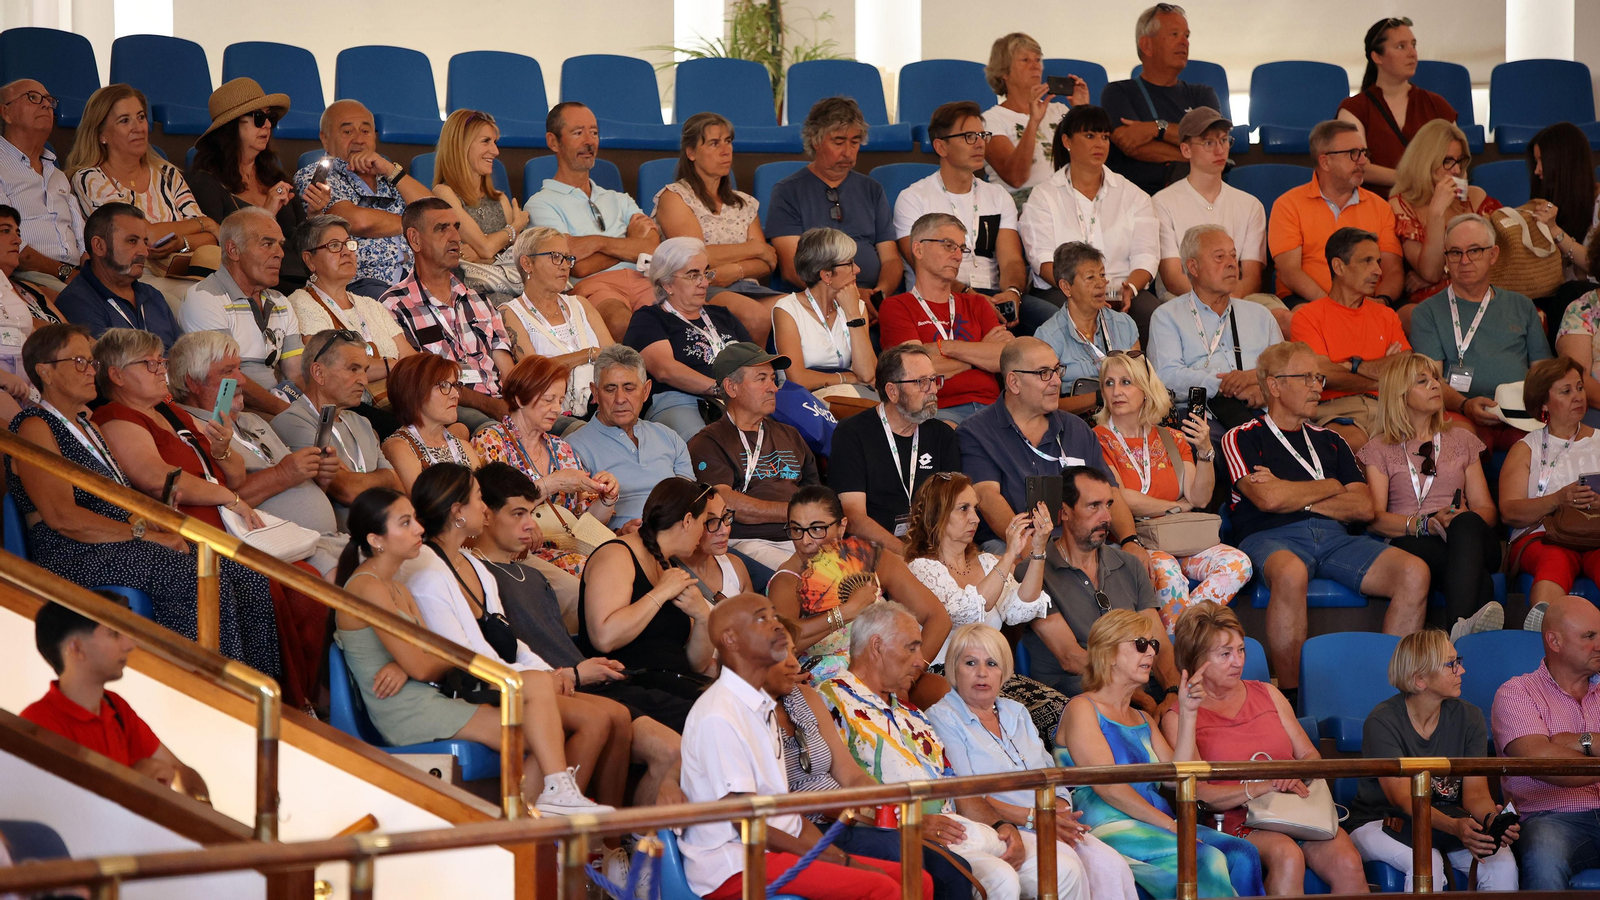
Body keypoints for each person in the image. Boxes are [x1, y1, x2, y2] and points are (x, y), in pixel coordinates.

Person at [7, 325, 273, 676]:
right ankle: (200, 684)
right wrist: (145, 534)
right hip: (71, 549)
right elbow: (62, 517)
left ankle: (257, 686)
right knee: (187, 572)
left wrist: (159, 524)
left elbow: (121, 497)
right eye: (79, 362)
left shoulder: (88, 426)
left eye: (91, 362)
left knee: (243, 572)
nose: (91, 371)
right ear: (45, 371)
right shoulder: (34, 425)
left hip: (118, 538)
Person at [339, 479, 611, 816]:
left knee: (541, 719)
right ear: (376, 540)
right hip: (406, 709)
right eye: (405, 523)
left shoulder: (395, 587)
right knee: (541, 722)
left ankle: (540, 812)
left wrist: (407, 662)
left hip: (427, 694)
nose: (419, 529)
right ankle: (536, 814)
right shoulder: (368, 587)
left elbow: (426, 653)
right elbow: (423, 664)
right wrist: (414, 662)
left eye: (415, 519)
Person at [405, 462, 634, 811]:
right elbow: (466, 651)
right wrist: (540, 679)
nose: (484, 508)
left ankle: (579, 822)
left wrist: (547, 672)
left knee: (612, 714)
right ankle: (545, 816)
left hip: (499, 678)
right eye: (478, 499)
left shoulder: (474, 566)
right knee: (595, 718)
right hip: (468, 685)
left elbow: (509, 638)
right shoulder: (427, 570)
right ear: (457, 512)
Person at [678, 593, 928, 900]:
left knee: (917, 880)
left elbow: (789, 817)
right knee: (882, 888)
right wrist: (838, 861)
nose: (776, 626)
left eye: (774, 615)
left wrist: (837, 856)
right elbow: (747, 825)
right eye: (762, 619)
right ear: (731, 640)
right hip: (735, 865)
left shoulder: (762, 706)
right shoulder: (719, 714)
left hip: (777, 849)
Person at [1222, 340, 1429, 699]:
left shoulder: (1331, 439)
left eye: (1318, 378)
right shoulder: (1241, 437)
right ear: (1274, 385)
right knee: (1290, 573)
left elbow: (1363, 508)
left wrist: (1294, 496)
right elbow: (1267, 500)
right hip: (1270, 537)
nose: (1318, 386)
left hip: (1336, 539)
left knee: (1415, 572)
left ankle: (1391, 693)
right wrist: (1331, 488)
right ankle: (1293, 697)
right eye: (1306, 378)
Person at [88, 327, 283, 677]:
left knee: (283, 577)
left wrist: (222, 449)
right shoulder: (116, 416)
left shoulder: (170, 409)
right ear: (116, 375)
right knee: (262, 580)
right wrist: (229, 497)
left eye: (161, 361)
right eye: (149, 363)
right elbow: (155, 477)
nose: (161, 369)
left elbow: (235, 475)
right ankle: (237, 688)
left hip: (225, 523)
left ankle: (276, 691)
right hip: (187, 526)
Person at [818, 601, 1045, 900]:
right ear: (877, 646)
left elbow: (954, 786)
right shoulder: (831, 701)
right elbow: (829, 795)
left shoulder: (912, 714)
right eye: (911, 648)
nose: (920, 660)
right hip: (892, 837)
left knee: (1053, 867)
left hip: (956, 832)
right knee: (1001, 878)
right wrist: (908, 823)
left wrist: (1001, 824)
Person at [470, 463, 693, 767]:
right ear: (486, 515)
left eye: (530, 514)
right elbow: (505, 654)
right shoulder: (476, 576)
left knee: (707, 718)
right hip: (557, 688)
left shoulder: (534, 577)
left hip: (592, 680)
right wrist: (573, 673)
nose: (530, 525)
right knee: (674, 744)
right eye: (518, 514)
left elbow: (557, 644)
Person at [1162, 604, 1368, 895]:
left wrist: (1291, 774)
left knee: (1348, 862)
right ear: (1197, 660)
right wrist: (1262, 786)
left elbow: (1310, 756)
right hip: (1235, 820)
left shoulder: (1268, 693)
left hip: (1296, 810)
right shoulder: (1179, 717)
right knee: (1288, 856)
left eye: (1241, 650)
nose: (1238, 662)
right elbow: (1199, 792)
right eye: (1225, 654)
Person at [763, 621, 977, 900]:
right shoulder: (749, 713)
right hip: (810, 825)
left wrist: (891, 812)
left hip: (849, 819)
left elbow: (851, 775)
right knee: (899, 851)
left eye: (794, 653)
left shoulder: (805, 697)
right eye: (784, 655)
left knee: (954, 870)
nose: (795, 664)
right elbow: (772, 805)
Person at [1058, 609, 1264, 898]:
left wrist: (1188, 712)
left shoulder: (1143, 718)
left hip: (1155, 822)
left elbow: (1178, 777)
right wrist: (1170, 825)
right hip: (1109, 825)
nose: (1151, 652)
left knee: (1243, 853)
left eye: (1153, 644)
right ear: (1109, 653)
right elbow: (1109, 788)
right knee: (1206, 859)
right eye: (1140, 644)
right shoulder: (1082, 708)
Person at [926, 624, 1140, 900]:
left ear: (1003, 671)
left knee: (1113, 867)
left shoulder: (1015, 711)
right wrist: (1034, 817)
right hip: (1002, 826)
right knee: (1066, 869)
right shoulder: (942, 716)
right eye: (970, 663)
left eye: (991, 663)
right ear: (954, 669)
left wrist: (1058, 810)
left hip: (1046, 818)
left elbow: (1050, 773)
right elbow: (967, 795)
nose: (981, 673)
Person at [901, 473, 1068, 744]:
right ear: (936, 514)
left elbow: (1021, 608)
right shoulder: (921, 568)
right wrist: (1010, 555)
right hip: (945, 677)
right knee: (1017, 725)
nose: (975, 519)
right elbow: (965, 613)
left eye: (975, 508)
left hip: (992, 674)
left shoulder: (989, 563)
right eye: (963, 509)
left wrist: (1038, 550)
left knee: (1063, 713)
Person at [1348, 629, 1518, 891]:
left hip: (1447, 822)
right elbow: (1403, 799)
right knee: (1427, 863)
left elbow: (1475, 793)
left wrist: (1490, 821)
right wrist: (1454, 827)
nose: (1461, 671)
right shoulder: (1382, 721)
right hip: (1382, 822)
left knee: (1502, 863)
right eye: (1451, 664)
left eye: (1458, 661)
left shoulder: (1470, 717)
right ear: (1420, 680)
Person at [1093, 352, 1252, 627]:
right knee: (1167, 571)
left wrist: (1204, 451)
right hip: (1133, 540)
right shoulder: (1097, 438)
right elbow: (1120, 498)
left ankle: (1184, 634)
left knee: (1239, 563)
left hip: (1178, 538)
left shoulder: (1173, 438)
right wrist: (1176, 506)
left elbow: (1199, 497)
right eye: (1109, 383)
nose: (1116, 391)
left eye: (1126, 382)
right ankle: (1182, 646)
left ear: (1146, 390)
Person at [168, 330, 344, 576]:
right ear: (192, 382)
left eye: (239, 368)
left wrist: (320, 478)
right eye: (228, 372)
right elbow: (217, 507)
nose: (241, 380)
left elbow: (294, 490)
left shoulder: (252, 420)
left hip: (327, 540)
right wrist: (283, 474)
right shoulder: (190, 430)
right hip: (287, 552)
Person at [1359, 352, 1503, 637]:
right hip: (1413, 538)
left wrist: (1460, 518)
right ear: (1399, 394)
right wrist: (1427, 524)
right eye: (1422, 381)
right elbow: (1374, 520)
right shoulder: (1379, 448)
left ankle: (1455, 631)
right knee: (1481, 580)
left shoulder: (1462, 439)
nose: (1436, 385)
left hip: (1467, 534)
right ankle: (1463, 637)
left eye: (1435, 379)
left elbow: (1487, 511)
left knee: (1465, 525)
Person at [957, 338, 1145, 556]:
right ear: (1014, 382)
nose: (1056, 381)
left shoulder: (1077, 428)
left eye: (1057, 370)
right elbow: (987, 497)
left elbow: (1110, 490)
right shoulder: (976, 432)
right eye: (1044, 373)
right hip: (1012, 547)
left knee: (1137, 568)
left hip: (1080, 544)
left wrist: (1130, 540)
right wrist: (1036, 556)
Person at [767, 485, 952, 693]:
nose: (805, 541)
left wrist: (912, 673)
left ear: (841, 526)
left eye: (817, 529)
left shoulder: (872, 559)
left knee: (938, 688)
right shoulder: (788, 580)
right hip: (827, 687)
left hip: (885, 676)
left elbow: (938, 617)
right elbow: (780, 642)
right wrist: (845, 612)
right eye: (796, 530)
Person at [23, 598, 209, 803]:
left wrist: (200, 802)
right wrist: (134, 779)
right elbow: (67, 809)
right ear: (76, 648)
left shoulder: (115, 706)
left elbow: (179, 769)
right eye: (114, 633)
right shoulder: (39, 723)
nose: (130, 645)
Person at [1017, 466, 1178, 701]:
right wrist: (1140, 699)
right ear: (1064, 512)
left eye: (1108, 505)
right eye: (1094, 506)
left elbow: (1159, 643)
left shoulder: (1130, 565)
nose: (1107, 518)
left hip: (1136, 685)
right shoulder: (1034, 573)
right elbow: (1071, 658)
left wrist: (1173, 694)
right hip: (1080, 692)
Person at [896, 101, 1041, 333]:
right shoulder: (913, 198)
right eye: (969, 137)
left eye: (982, 135)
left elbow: (1011, 260)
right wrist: (970, 295)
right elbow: (923, 266)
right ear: (941, 146)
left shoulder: (998, 196)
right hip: (940, 298)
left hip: (993, 295)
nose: (980, 143)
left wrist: (1012, 292)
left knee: (1052, 322)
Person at [1019, 105, 1160, 342]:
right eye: (1090, 136)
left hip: (1119, 289)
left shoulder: (1133, 195)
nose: (1100, 144)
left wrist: (1131, 288)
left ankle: (1142, 369)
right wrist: (1079, 290)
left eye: (1104, 137)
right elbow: (1041, 259)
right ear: (1067, 141)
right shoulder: (1044, 195)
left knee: (1152, 313)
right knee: (1061, 314)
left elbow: (1147, 256)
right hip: (1064, 290)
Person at [1409, 213, 1549, 450]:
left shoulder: (1522, 305)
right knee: (1464, 441)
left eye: (1474, 251)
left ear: (1493, 255)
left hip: (1520, 412)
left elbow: (1542, 371)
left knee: (1537, 445)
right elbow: (1430, 380)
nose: (1464, 261)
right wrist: (1465, 405)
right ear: (1446, 258)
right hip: (1460, 412)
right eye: (1455, 252)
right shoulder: (1427, 312)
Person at [472, 354, 618, 579]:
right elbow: (492, 509)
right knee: (599, 572)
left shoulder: (561, 448)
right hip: (519, 554)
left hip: (568, 548)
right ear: (520, 399)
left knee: (622, 562)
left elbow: (584, 523)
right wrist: (553, 483)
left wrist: (607, 498)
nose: (557, 409)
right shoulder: (491, 441)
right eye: (549, 400)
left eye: (560, 400)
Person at [577, 478, 717, 708]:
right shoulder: (616, 555)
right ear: (687, 521)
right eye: (704, 523)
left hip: (672, 684)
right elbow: (604, 638)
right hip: (628, 688)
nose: (704, 533)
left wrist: (703, 617)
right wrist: (660, 593)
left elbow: (695, 665)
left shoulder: (669, 567)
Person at [1493, 594, 1600, 890]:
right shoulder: (1517, 693)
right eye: (1589, 636)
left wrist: (1583, 742)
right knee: (1544, 854)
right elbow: (1541, 761)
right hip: (1551, 818)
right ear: (1554, 641)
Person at [528, 102, 660, 342]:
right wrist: (630, 242)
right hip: (595, 287)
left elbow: (652, 248)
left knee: (676, 324)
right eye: (578, 133)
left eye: (594, 132)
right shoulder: (540, 203)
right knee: (623, 324)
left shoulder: (620, 199)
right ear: (553, 142)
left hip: (644, 280)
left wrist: (597, 244)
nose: (589, 142)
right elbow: (575, 266)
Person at [381, 197, 515, 433]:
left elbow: (508, 371)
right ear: (415, 239)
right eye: (442, 229)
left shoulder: (478, 299)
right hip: (447, 410)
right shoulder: (394, 306)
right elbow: (421, 382)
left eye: (456, 227)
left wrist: (521, 405)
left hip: (499, 404)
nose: (456, 237)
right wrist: (491, 406)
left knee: (571, 428)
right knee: (492, 432)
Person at [1152, 108, 1287, 334]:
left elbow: (1252, 277)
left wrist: (1227, 302)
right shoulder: (1163, 202)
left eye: (1224, 140)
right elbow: (1173, 277)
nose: (1219, 149)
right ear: (1186, 150)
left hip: (1239, 297)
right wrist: (1212, 303)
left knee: (1285, 319)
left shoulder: (1250, 204)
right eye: (1208, 143)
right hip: (1184, 298)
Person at [687, 342, 820, 569]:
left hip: (805, 538)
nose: (773, 388)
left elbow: (815, 496)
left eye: (773, 379)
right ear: (731, 388)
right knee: (810, 577)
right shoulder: (709, 442)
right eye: (761, 379)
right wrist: (795, 512)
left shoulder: (790, 434)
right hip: (750, 542)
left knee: (859, 574)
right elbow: (724, 502)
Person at [654, 111, 780, 343]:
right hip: (699, 288)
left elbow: (767, 263)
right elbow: (695, 257)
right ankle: (754, 368)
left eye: (728, 141)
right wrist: (755, 248)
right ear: (691, 153)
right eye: (714, 143)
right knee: (756, 317)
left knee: (801, 311)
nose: (725, 150)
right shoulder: (675, 197)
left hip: (745, 286)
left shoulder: (744, 203)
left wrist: (733, 271)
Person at [827, 344, 962, 554]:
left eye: (934, 379)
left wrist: (937, 556)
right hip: (874, 551)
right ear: (892, 391)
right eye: (922, 382)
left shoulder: (942, 435)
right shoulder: (852, 433)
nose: (933, 390)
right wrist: (908, 556)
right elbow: (853, 517)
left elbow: (955, 507)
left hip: (933, 550)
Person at [1288, 226, 1413, 452]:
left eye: (1378, 262)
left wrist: (1352, 366)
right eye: (1367, 261)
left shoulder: (1386, 315)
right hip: (1337, 410)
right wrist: (1383, 378)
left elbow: (1405, 367)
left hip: (1390, 409)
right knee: (1355, 445)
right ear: (1339, 267)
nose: (1378, 271)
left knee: (1431, 443)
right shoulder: (1307, 317)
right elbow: (1324, 375)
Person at [187, 78, 318, 292]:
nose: (267, 125)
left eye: (270, 118)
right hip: (253, 286)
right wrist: (267, 213)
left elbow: (303, 244)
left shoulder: (276, 178)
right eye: (258, 117)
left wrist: (314, 214)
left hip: (299, 280)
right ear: (231, 126)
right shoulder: (205, 182)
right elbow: (221, 250)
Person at [1148, 224, 1284, 429]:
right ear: (1193, 267)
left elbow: (1285, 369)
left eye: (1233, 256)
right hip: (1204, 416)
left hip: (1265, 412)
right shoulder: (1167, 316)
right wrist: (1224, 385)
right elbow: (1166, 377)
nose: (1231, 264)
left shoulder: (1261, 315)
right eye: (1220, 257)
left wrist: (1259, 383)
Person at [878, 212, 1009, 425]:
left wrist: (944, 347)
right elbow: (915, 372)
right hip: (939, 411)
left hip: (993, 408)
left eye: (961, 248)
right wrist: (979, 355)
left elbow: (1003, 358)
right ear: (918, 249)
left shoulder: (977, 303)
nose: (958, 256)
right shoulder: (896, 306)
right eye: (948, 246)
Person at [285, 214, 412, 430]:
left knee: (455, 424)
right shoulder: (302, 302)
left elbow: (410, 357)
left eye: (348, 244)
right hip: (352, 410)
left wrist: (390, 367)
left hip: (401, 400)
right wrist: (392, 365)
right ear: (309, 260)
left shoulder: (370, 304)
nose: (346, 252)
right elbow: (332, 369)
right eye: (334, 245)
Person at [1497, 357, 1600, 622]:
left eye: (1579, 388)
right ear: (1543, 403)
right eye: (1566, 391)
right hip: (1543, 536)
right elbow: (1509, 512)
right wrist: (1558, 499)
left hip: (1595, 534)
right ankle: (1545, 627)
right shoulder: (1525, 448)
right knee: (1555, 556)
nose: (1578, 396)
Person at [767, 97, 901, 300]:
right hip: (815, 300)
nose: (848, 152)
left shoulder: (872, 189)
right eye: (838, 142)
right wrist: (847, 296)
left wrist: (879, 295)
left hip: (872, 298)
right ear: (815, 140)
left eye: (854, 142)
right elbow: (792, 268)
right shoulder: (787, 191)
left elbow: (891, 259)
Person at [271, 329, 404, 530]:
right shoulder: (293, 422)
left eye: (364, 370)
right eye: (353, 369)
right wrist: (383, 477)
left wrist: (378, 478)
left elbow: (398, 486)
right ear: (319, 373)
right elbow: (348, 490)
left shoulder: (361, 422)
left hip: (387, 533)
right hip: (343, 540)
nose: (364, 380)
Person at [292, 101, 430, 296]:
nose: (359, 139)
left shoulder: (389, 175)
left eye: (365, 131)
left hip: (417, 277)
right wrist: (420, 225)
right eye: (347, 132)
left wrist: (390, 169)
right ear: (325, 139)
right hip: (362, 283)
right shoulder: (315, 175)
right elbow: (356, 221)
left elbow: (435, 210)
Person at [64, 84, 217, 256]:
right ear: (102, 135)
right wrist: (206, 223)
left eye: (141, 117)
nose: (139, 128)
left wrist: (181, 242)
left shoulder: (166, 173)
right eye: (124, 120)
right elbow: (145, 235)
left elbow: (210, 238)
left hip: (184, 265)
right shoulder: (90, 178)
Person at [623, 235, 750, 441]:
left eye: (706, 273)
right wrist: (721, 389)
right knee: (705, 444)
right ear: (667, 283)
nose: (704, 283)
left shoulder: (722, 315)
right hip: (680, 400)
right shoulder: (649, 318)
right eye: (693, 275)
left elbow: (754, 359)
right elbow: (666, 370)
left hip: (738, 398)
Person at [179, 207, 302, 416]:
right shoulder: (205, 298)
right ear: (233, 250)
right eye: (267, 244)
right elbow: (227, 378)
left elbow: (297, 373)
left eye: (280, 245)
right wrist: (288, 414)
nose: (280, 254)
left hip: (278, 407)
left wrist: (313, 410)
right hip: (234, 411)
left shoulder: (280, 301)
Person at [1271, 120, 1404, 308]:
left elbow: (1393, 270)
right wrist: (1336, 307)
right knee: (1299, 316)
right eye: (1353, 154)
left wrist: (1381, 301)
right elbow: (1290, 272)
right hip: (1308, 302)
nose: (1363, 161)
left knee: (1410, 315)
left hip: (1369, 304)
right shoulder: (1288, 205)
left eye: (1363, 152)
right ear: (1325, 162)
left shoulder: (1380, 207)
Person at [1099, 5, 1227, 198]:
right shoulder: (1118, 92)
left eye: (1187, 35)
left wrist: (1157, 129)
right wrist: (1196, 156)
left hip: (1197, 199)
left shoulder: (1202, 94)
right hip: (1136, 201)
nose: (1184, 42)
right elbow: (1130, 144)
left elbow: (1213, 142)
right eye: (1174, 34)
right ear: (1147, 45)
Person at [565, 344, 694, 527]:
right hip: (619, 540)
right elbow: (577, 525)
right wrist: (619, 535)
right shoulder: (572, 448)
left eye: (629, 388)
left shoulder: (669, 437)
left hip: (678, 534)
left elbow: (689, 501)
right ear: (595, 393)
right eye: (610, 389)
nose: (620, 399)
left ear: (646, 391)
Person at [1337, 18, 1464, 190]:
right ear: (1377, 57)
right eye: (1401, 46)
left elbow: (1459, 164)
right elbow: (1358, 166)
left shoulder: (1437, 105)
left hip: (1432, 201)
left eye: (1414, 45)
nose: (1412, 53)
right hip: (1377, 203)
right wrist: (1419, 180)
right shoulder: (1354, 108)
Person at [1388, 122, 1503, 311]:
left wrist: (1446, 273)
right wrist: (1436, 212)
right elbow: (1431, 272)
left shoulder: (1474, 196)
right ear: (1426, 161)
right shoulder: (1401, 204)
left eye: (1460, 161)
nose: (1456, 170)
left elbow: (1500, 254)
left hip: (1483, 289)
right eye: (1448, 161)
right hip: (1435, 301)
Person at [498, 226, 612, 417]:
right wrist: (589, 354)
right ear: (527, 263)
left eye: (567, 258)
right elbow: (532, 373)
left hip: (605, 405)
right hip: (555, 415)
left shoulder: (581, 304)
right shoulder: (510, 313)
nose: (565, 265)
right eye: (555, 257)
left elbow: (614, 358)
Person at [981, 33, 1089, 207]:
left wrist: (1082, 111)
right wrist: (1033, 122)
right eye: (1025, 60)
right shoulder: (990, 120)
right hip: (1023, 202)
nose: (1035, 66)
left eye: (1038, 60)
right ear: (1004, 72)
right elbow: (1015, 178)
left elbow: (1089, 161)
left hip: (1070, 195)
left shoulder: (1060, 110)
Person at [54, 202, 181, 349]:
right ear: (99, 246)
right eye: (132, 241)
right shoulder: (77, 302)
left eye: (145, 242)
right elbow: (104, 361)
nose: (145, 252)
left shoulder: (153, 295)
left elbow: (181, 356)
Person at [771, 227, 877, 399]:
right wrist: (847, 378)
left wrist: (853, 316)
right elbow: (798, 379)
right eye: (849, 263)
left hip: (851, 397)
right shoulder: (787, 309)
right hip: (804, 400)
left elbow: (867, 374)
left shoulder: (857, 307)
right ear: (827, 275)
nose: (857, 269)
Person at [0, 79, 85, 290]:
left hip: (74, 276)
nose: (46, 105)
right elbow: (4, 240)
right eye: (33, 97)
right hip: (25, 276)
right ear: (5, 112)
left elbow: (82, 240)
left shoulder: (57, 174)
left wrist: (93, 278)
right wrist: (65, 272)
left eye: (49, 100)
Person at [1034, 242, 1140, 406]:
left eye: (1102, 275)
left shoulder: (1124, 324)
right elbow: (1043, 405)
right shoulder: (1048, 337)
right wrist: (1100, 397)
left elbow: (1142, 380)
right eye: (1090, 278)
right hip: (1078, 419)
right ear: (1066, 287)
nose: (1101, 283)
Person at [430, 109, 528, 272]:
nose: (495, 151)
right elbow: (486, 248)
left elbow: (520, 259)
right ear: (461, 145)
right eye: (485, 141)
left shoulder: (500, 199)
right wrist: (515, 226)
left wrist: (483, 259)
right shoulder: (443, 193)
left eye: (494, 142)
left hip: (506, 284)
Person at [381, 351, 482, 490]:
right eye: (444, 385)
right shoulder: (399, 447)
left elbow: (481, 499)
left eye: (455, 385)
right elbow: (422, 502)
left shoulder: (464, 447)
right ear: (415, 391)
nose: (455, 394)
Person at [1528, 123, 1598, 286]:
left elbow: (1595, 265)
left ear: (1564, 163)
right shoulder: (1551, 199)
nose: (1537, 170)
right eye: (1536, 161)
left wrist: (1555, 231)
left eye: (1542, 161)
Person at [676, 488, 750, 602]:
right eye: (710, 521)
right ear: (687, 523)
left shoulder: (735, 566)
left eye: (725, 516)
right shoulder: (669, 577)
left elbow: (755, 612)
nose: (725, 530)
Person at [0, 203, 68, 326]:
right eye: (5, 231)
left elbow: (68, 329)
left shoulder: (32, 289)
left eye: (18, 234)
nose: (18, 240)